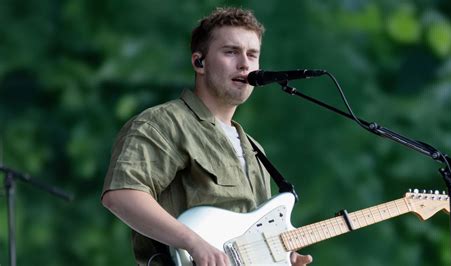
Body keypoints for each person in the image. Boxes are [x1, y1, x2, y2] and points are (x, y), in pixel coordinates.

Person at [101, 7, 313, 266]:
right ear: (199, 62)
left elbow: (250, 244)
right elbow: (121, 195)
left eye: (252, 54)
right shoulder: (164, 123)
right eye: (231, 52)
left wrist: (281, 259)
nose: (245, 63)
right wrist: (194, 243)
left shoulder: (256, 151)